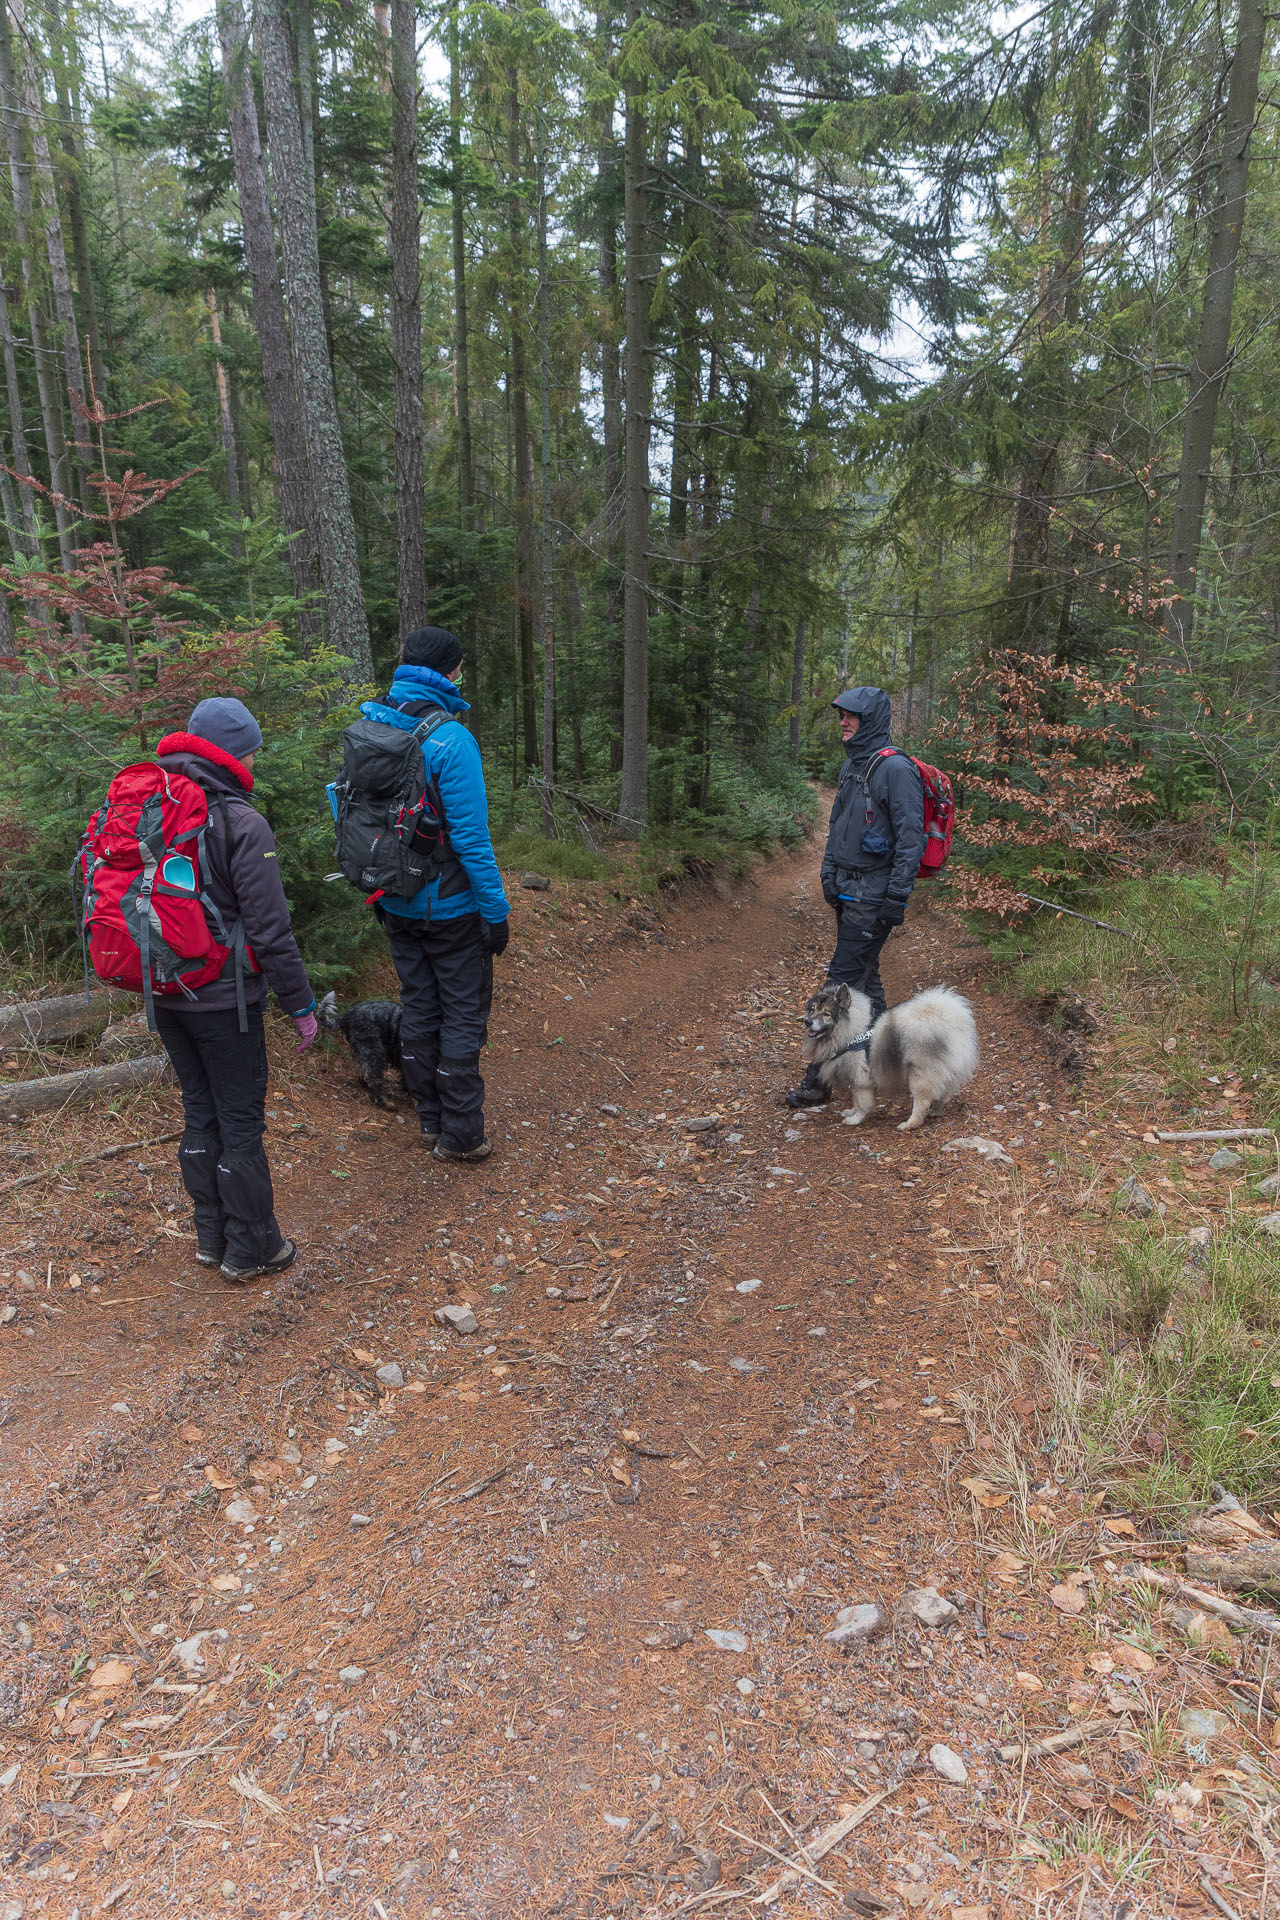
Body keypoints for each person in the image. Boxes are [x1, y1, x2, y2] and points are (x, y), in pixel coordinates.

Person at [153, 697, 318, 1279]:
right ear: (233, 752)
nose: (255, 757)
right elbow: (272, 931)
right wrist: (301, 1005)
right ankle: (253, 1248)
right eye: (250, 748)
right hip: (225, 1002)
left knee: (200, 1113)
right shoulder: (241, 822)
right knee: (241, 1119)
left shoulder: (156, 806)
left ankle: (211, 1238)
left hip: (165, 995)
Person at [359, 624, 510, 1162]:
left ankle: (430, 1120)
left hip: (394, 900)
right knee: (463, 1013)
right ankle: (462, 1133)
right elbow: (471, 840)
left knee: (420, 1008)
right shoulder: (452, 740)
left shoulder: (371, 724)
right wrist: (496, 912)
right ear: (450, 672)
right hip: (452, 907)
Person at [787, 685, 925, 1108]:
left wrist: (896, 896)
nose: (843, 722)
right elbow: (837, 826)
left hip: (873, 897)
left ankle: (818, 1081)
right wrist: (828, 874)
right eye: (841, 715)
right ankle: (883, 1064)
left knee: (840, 985)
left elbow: (910, 838)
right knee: (869, 985)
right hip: (849, 893)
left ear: (871, 720)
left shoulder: (895, 769)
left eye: (852, 716)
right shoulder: (853, 766)